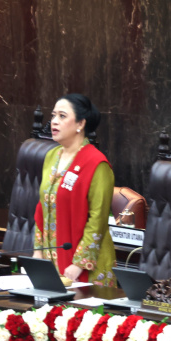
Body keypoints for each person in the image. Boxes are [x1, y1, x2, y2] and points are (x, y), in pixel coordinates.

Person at [33, 94, 116, 286]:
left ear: (80, 124)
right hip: (51, 260)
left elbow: (98, 219)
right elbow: (42, 206)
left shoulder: (97, 163)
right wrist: (38, 251)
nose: (54, 121)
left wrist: (79, 264)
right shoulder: (51, 156)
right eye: (53, 115)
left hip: (86, 268)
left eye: (62, 116)